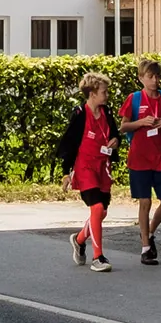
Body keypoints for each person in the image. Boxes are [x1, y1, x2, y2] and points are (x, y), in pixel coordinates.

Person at [119, 58, 161, 265]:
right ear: (141, 78)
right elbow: (123, 127)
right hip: (139, 158)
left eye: (157, 76)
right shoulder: (134, 99)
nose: (154, 80)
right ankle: (146, 247)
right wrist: (140, 123)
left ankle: (149, 231)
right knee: (145, 201)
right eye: (150, 76)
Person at [58, 72, 118, 271]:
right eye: (104, 92)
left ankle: (79, 239)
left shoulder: (107, 112)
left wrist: (115, 141)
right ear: (92, 94)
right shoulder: (80, 114)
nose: (106, 95)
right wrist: (66, 173)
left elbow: (114, 135)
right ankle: (98, 258)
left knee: (102, 212)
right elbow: (69, 144)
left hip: (103, 167)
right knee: (97, 208)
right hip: (85, 168)